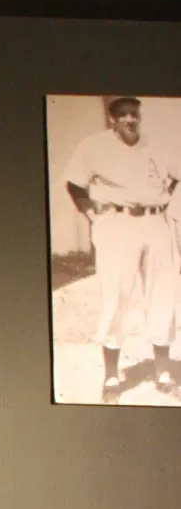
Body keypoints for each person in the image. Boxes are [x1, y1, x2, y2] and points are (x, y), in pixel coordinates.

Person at [64, 98, 180, 403]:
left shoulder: (155, 146)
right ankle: (112, 376)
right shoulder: (94, 146)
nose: (130, 119)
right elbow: (75, 184)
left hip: (155, 222)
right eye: (123, 114)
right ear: (113, 119)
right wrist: (91, 215)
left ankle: (163, 372)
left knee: (163, 294)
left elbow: (177, 174)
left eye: (134, 114)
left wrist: (167, 197)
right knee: (116, 296)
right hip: (117, 223)